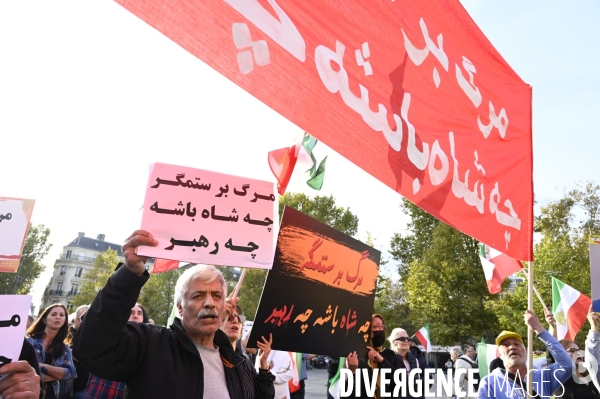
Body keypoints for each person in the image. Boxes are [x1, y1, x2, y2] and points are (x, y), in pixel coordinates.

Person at [74, 229, 275, 398]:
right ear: (179, 307)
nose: (209, 303)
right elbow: (93, 349)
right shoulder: (150, 345)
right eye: (198, 296)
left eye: (216, 296)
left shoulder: (236, 361)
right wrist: (129, 275)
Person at [477, 310, 573, 399]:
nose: (512, 347)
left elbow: (567, 365)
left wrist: (539, 329)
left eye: (517, 344)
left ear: (526, 351)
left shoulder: (543, 377)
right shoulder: (489, 383)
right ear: (499, 355)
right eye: (506, 345)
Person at [84, 303, 148, 399]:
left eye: (139, 313)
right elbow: (90, 319)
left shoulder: (149, 343)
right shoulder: (106, 333)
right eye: (131, 312)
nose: (135, 316)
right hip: (101, 392)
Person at [221, 305, 275, 397]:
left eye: (240, 318)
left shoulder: (245, 362)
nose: (235, 320)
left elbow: (265, 396)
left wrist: (263, 367)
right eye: (229, 317)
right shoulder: (209, 358)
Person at [344, 314, 402, 398]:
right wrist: (352, 371)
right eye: (376, 327)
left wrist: (382, 361)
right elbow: (345, 394)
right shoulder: (354, 356)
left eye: (383, 327)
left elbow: (401, 386)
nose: (381, 330)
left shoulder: (389, 354)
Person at [26, 303, 77, 399]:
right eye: (53, 314)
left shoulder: (64, 347)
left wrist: (41, 366)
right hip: (29, 391)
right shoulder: (29, 342)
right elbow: (25, 370)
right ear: (44, 320)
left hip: (51, 393)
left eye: (62, 315)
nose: (58, 317)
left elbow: (70, 373)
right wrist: (57, 375)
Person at [549, 308, 600, 399]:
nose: (578, 353)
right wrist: (553, 327)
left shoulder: (591, 376)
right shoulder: (560, 378)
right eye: (572, 350)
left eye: (578, 350)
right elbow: (552, 352)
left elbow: (594, 357)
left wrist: (595, 327)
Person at [389, 327, 424, 398]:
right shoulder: (389, 359)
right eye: (402, 339)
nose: (406, 341)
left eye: (408, 339)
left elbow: (417, 384)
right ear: (394, 342)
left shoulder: (415, 360)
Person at [70, 305, 90, 399]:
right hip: (63, 386)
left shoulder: (94, 338)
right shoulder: (65, 335)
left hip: (83, 388)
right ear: (76, 319)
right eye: (81, 318)